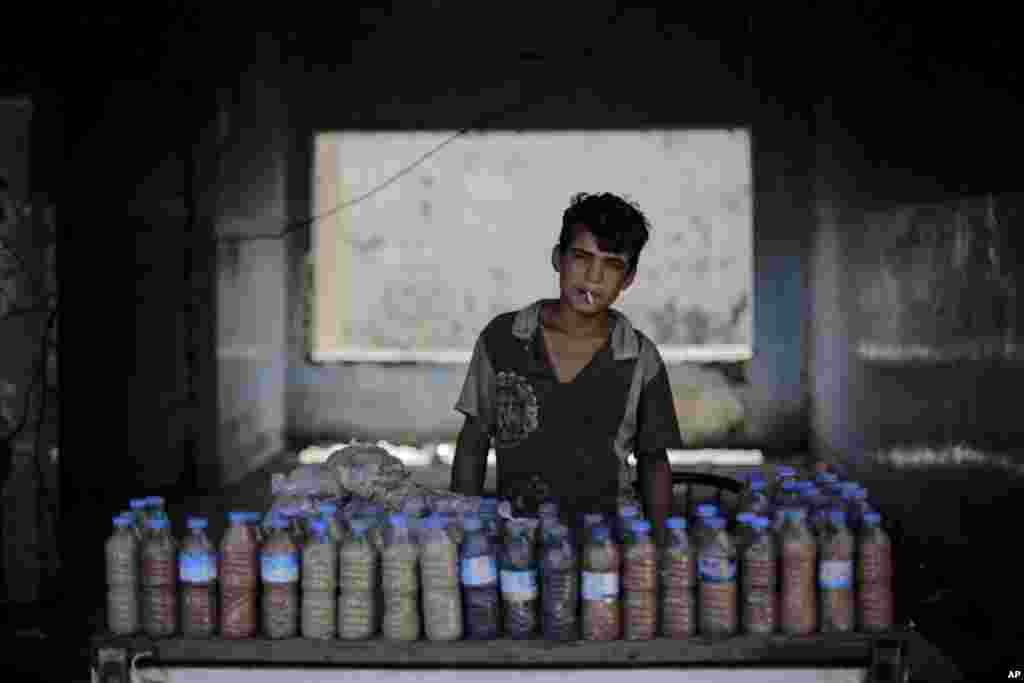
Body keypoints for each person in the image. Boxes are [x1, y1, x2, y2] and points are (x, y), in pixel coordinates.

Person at [451, 192, 684, 539]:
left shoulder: (639, 357)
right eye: (581, 257)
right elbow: (474, 439)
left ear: (629, 278)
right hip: (519, 539)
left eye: (612, 265)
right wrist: (462, 527)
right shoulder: (503, 340)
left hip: (609, 542)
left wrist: (660, 541)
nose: (593, 277)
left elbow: (653, 461)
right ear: (557, 258)